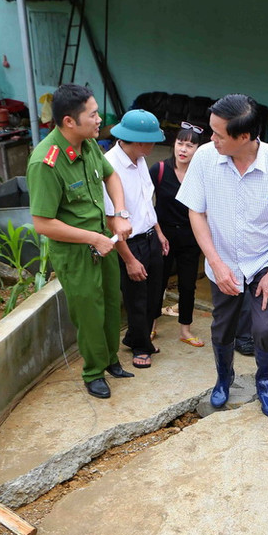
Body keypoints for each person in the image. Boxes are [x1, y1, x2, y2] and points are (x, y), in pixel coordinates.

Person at [179, 94, 268, 417]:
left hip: (263, 263)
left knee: (264, 329)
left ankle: (266, 384)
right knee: (222, 328)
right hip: (222, 260)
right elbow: (196, 212)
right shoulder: (207, 158)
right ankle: (224, 380)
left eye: (219, 134)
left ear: (245, 137)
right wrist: (217, 264)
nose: (211, 139)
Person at [28, 83, 134, 399]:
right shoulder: (45, 162)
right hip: (76, 251)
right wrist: (92, 237)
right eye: (93, 114)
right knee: (89, 311)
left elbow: (111, 175)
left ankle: (111, 359)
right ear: (69, 121)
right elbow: (42, 223)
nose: (99, 119)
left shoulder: (87, 145)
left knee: (112, 304)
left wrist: (120, 211)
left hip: (104, 241)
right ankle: (92, 372)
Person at [104, 109, 168, 369]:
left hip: (150, 235)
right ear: (139, 141)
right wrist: (129, 259)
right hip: (130, 243)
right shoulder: (110, 167)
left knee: (154, 294)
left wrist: (160, 232)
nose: (155, 145)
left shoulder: (140, 159)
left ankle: (134, 337)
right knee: (136, 298)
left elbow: (145, 203)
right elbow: (111, 220)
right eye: (152, 141)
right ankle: (141, 347)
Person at [150, 121, 206, 348]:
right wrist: (158, 233)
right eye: (180, 144)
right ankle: (150, 327)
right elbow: (145, 203)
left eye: (190, 146)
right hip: (162, 236)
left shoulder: (200, 174)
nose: (183, 149)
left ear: (197, 150)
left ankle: (185, 329)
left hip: (190, 239)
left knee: (187, 284)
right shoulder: (160, 169)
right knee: (157, 283)